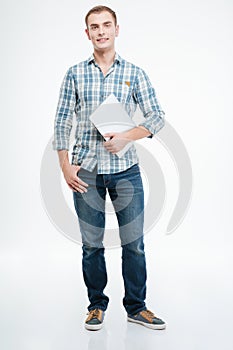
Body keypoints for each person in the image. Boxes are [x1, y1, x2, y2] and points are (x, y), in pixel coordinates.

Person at [53, 5, 166, 331]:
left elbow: (157, 117)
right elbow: (62, 121)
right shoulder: (75, 73)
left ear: (117, 29)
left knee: (134, 244)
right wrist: (65, 167)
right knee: (92, 245)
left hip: (126, 170)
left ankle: (136, 307)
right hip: (85, 171)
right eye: (94, 26)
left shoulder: (135, 73)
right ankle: (96, 306)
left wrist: (128, 136)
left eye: (106, 25)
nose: (101, 31)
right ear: (87, 33)